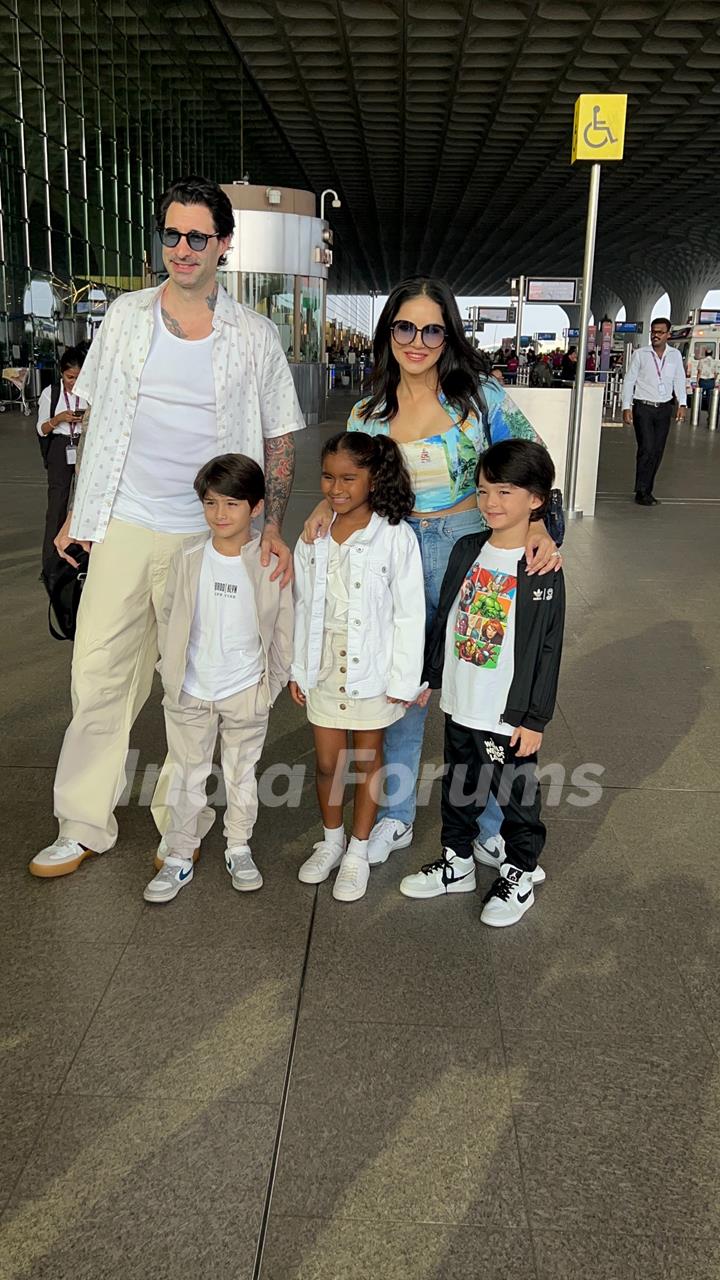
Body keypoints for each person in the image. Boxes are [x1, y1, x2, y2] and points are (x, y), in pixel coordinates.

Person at [30, 174, 305, 879]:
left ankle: (178, 825)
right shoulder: (124, 316)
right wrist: (77, 515)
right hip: (124, 523)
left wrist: (269, 528)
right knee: (97, 675)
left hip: (208, 535)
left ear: (224, 245)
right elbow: (96, 424)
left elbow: (279, 439)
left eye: (197, 237)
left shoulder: (255, 335)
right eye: (172, 235)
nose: (181, 249)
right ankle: (83, 821)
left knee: (190, 688)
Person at [302, 276, 561, 872]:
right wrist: (326, 503)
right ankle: (394, 815)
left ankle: (491, 824)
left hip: (476, 553)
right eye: (404, 327)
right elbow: (352, 482)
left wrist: (540, 522)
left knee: (485, 694)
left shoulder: (480, 399)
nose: (417, 340)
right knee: (402, 689)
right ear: (387, 332)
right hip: (397, 554)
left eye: (431, 328)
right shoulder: (369, 413)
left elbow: (531, 462)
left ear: (448, 336)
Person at [399, 439, 565, 927]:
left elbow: (547, 648)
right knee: (459, 784)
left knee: (516, 796)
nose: (491, 503)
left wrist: (533, 718)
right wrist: (433, 675)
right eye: (484, 490)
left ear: (535, 500)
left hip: (505, 713)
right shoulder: (468, 548)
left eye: (506, 492)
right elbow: (448, 616)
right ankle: (458, 863)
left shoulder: (541, 566)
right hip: (461, 700)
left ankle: (520, 870)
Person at [143, 454, 293, 904]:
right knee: (187, 776)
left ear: (256, 507)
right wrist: (169, 674)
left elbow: (284, 628)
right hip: (191, 689)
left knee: (242, 775)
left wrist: (271, 686)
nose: (220, 514)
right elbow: (168, 616)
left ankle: (239, 846)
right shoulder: (188, 559)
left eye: (231, 504)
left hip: (246, 690)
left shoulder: (270, 562)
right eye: (210, 503)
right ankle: (180, 853)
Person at [291, 431, 425, 903]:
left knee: (368, 761)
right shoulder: (313, 536)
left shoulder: (396, 536)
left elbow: (410, 613)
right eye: (328, 477)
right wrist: (298, 669)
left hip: (373, 673)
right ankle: (331, 842)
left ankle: (358, 851)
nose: (336, 487)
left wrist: (404, 679)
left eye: (349, 477)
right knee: (328, 764)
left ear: (375, 478)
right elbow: (303, 605)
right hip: (326, 669)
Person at [622, 317, 687, 507]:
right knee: (647, 448)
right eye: (653, 332)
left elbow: (679, 380)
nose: (655, 335)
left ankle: (647, 489)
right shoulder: (641, 354)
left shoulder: (674, 356)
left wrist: (682, 404)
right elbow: (629, 381)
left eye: (660, 332)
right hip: (643, 407)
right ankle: (641, 491)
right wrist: (627, 406)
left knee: (657, 450)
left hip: (664, 408)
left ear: (668, 334)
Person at [36, 346, 87, 580]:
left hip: (84, 445)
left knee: (85, 500)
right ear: (61, 373)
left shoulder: (90, 391)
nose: (74, 382)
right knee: (58, 503)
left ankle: (81, 557)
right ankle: (50, 564)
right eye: (70, 377)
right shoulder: (51, 393)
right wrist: (59, 419)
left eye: (78, 377)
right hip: (60, 446)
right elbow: (42, 428)